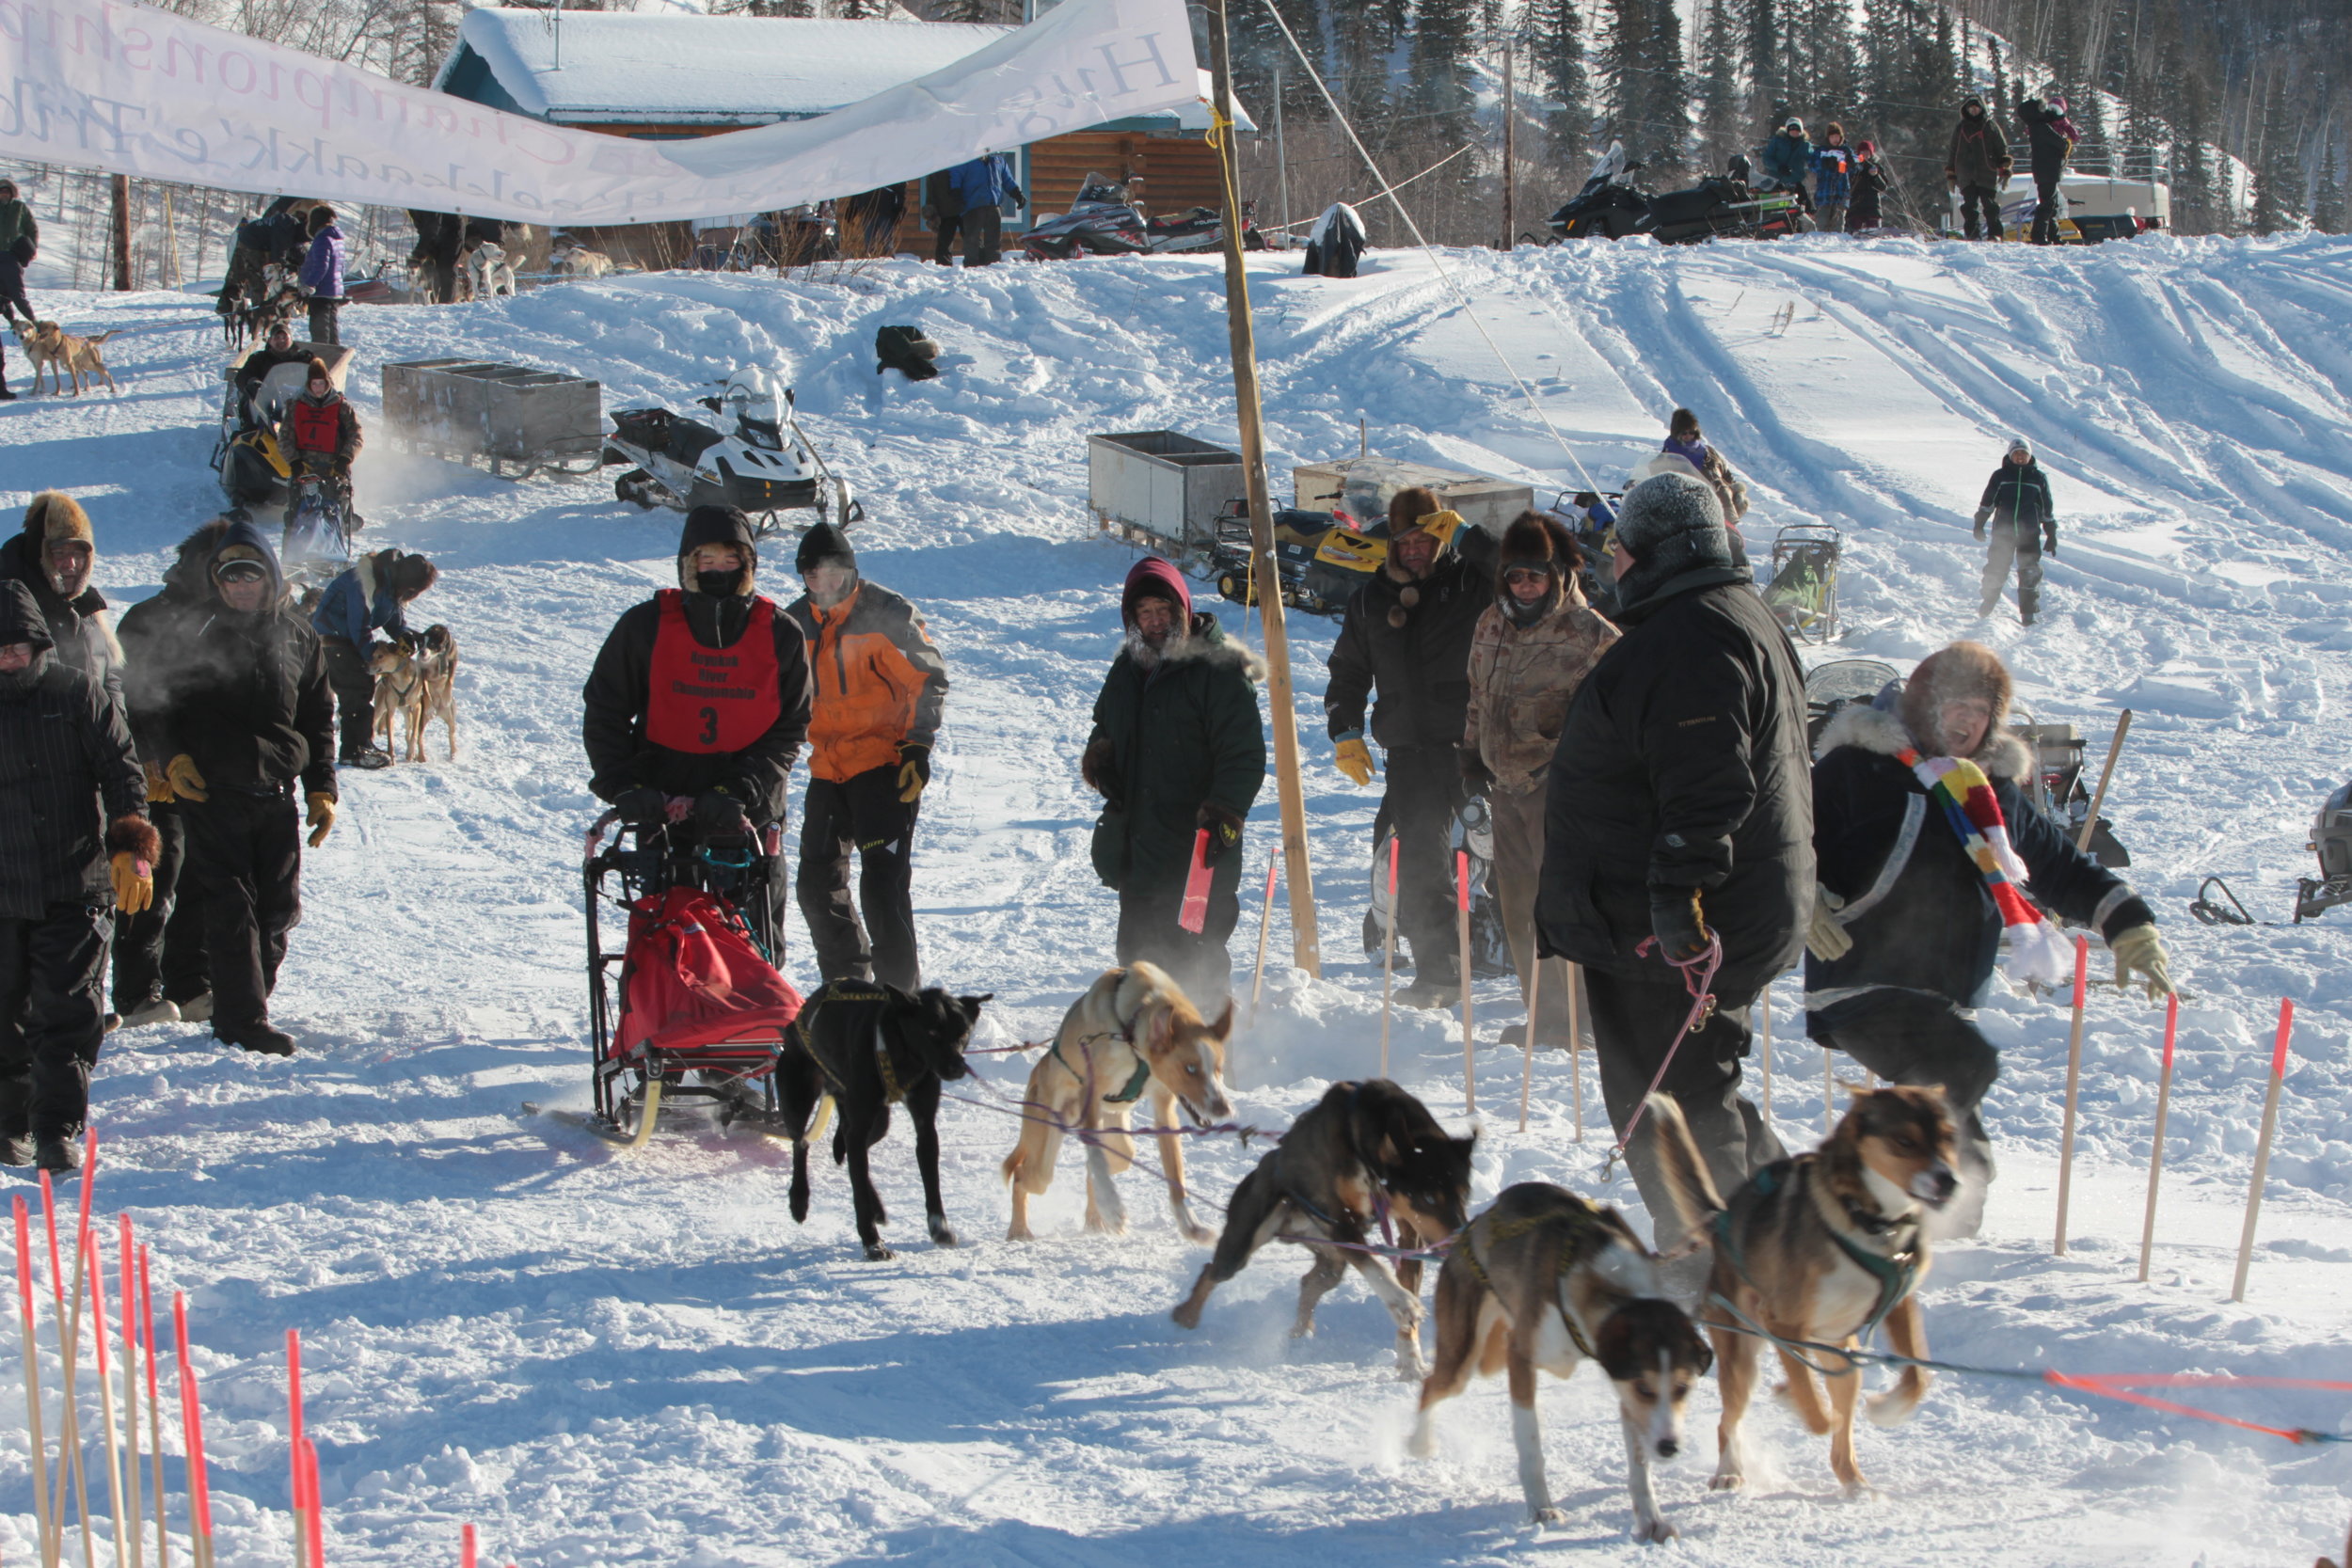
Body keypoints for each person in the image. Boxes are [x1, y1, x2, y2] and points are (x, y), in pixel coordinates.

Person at [1806, 641, 2172, 1234]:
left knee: (1959, 1131)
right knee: (1964, 1062)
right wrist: (1803, 894)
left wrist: (2130, 924)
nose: (1966, 721)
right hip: (1858, 977)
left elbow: (2060, 868)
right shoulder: (1857, 767)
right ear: (1924, 706)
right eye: (1955, 705)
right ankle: (1882, 1187)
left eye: (1980, 710)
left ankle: (1935, 1233)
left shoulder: (1988, 792)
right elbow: (1788, 840)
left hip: (1941, 996)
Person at [1536, 470, 1809, 1251]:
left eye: (1619, 550)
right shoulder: (1726, 618)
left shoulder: (1694, 636)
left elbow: (1707, 782)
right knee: (1700, 1083)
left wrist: (1679, 900)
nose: (1610, 564)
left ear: (1657, 552)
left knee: (1667, 1101)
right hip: (1684, 913)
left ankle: (1712, 1263)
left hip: (1668, 930)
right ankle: (1784, 1230)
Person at [581, 506, 814, 956]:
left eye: (730, 561)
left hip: (745, 809)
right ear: (688, 565)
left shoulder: (780, 632)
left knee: (752, 942)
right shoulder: (646, 625)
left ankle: (751, 1023)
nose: (719, 570)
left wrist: (738, 788)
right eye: (706, 561)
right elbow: (605, 710)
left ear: (748, 566)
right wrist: (623, 784)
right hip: (662, 807)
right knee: (665, 937)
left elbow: (790, 728)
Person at [152, 521, 336, 1057]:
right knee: (230, 905)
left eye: (250, 574)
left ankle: (252, 999)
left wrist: (321, 788)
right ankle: (241, 1018)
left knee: (278, 909)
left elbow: (318, 716)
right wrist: (173, 757)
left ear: (269, 575)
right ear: (217, 580)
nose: (240, 586)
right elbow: (154, 703)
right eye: (229, 576)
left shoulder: (298, 633)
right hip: (211, 791)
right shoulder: (195, 629)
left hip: (274, 792)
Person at [0, 581, 153, 1170]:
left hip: (75, 882)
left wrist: (130, 848)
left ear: (40, 644)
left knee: (67, 1012)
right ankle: (10, 1121)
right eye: (1, 649)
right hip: (6, 886)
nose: (11, 657)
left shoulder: (79, 694)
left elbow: (122, 774)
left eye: (20, 646)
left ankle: (56, 1129)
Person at [1327, 487, 1495, 1007]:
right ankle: (1439, 975)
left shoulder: (1472, 582)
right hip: (1410, 755)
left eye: (1428, 537)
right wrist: (1345, 730)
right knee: (1423, 865)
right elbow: (1349, 672)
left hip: (1475, 746)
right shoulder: (1371, 600)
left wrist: (1470, 539)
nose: (1416, 548)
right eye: (1406, 539)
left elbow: (1523, 570)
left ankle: (1543, 980)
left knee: (1509, 858)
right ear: (1392, 543)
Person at [1461, 513, 1618, 1049]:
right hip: (1504, 788)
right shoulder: (1490, 624)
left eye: (1535, 575)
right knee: (1519, 906)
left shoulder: (1591, 634)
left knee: (1565, 905)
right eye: (1515, 576)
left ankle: (1582, 1017)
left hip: (1561, 789)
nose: (1524, 586)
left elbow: (1622, 712)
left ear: (1556, 574)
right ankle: (1545, 1016)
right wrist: (1470, 753)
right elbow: (1479, 695)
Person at [1083, 558, 1264, 1007]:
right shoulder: (1126, 670)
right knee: (1137, 959)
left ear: (1182, 610)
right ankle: (1146, 1056)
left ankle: (1207, 1055)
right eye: (1144, 613)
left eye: (1163, 610)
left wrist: (1225, 813)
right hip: (1140, 843)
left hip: (1199, 845)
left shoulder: (1218, 672)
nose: (1155, 622)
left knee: (1195, 957)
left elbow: (1242, 753)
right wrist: (1101, 756)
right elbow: (1103, 723)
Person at [783, 523, 948, 992]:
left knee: (882, 889)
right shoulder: (794, 624)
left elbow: (928, 677)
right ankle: (848, 988)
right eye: (814, 574)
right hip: (827, 771)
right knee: (816, 888)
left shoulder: (886, 613)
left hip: (883, 767)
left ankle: (900, 998)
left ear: (850, 569)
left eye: (835, 572)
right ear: (805, 577)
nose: (826, 583)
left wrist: (917, 745)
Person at [111, 519, 231, 1031]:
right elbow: (129, 695)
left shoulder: (229, 617)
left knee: (204, 881)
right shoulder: (147, 617)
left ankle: (190, 981)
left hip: (211, 775)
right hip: (155, 774)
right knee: (154, 882)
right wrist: (154, 755)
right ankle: (137, 993)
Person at [312, 549, 438, 769]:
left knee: (363, 687)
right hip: (331, 639)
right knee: (356, 689)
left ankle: (363, 744)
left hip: (348, 639)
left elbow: (393, 618)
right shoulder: (362, 582)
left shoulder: (390, 586)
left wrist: (403, 635)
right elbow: (358, 626)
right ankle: (354, 751)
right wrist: (375, 657)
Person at [0, 492, 120, 707]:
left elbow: (110, 678)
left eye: (79, 553)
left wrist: (116, 727)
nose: (71, 564)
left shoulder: (89, 607)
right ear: (38, 555)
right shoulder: (8, 608)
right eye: (60, 552)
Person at [276, 356, 361, 540]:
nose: (318, 388)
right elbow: (285, 437)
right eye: (314, 384)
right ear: (308, 384)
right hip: (304, 469)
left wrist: (345, 458)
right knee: (298, 515)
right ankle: (296, 549)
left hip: (333, 469)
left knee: (333, 514)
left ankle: (339, 536)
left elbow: (356, 435)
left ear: (327, 383)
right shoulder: (295, 406)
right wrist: (294, 460)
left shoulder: (342, 407)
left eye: (321, 384)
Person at [1974, 436, 2057, 625]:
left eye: (2024, 454)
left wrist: (2051, 533)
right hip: (2004, 533)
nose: (2020, 457)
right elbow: (1988, 502)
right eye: (2017, 454)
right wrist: (1979, 523)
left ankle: (2028, 614)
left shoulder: (2038, 478)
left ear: (2029, 456)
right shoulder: (2000, 476)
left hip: (2029, 534)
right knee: (1996, 568)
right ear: (2010, 455)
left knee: (2029, 572)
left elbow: (2046, 509)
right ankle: (1989, 600)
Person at [1660, 408, 1750, 527]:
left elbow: (1726, 474)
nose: (1688, 436)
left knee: (1723, 490)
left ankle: (1729, 527)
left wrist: (1736, 491)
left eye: (1691, 432)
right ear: (1676, 433)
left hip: (1716, 501)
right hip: (1686, 503)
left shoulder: (1708, 452)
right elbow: (1655, 477)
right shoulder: (1668, 455)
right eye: (1684, 433)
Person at [1946, 95, 2012, 241]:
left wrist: (2004, 168)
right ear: (1966, 110)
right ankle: (1972, 234)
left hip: (1987, 171)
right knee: (1969, 206)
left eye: (1976, 108)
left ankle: (1995, 234)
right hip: (1966, 173)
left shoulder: (1990, 125)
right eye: (1971, 108)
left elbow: (2001, 148)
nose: (1974, 110)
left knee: (1990, 206)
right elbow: (1953, 150)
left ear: (1982, 109)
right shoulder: (1961, 128)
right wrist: (1951, 174)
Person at [2016, 92, 2076, 245]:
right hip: (2048, 169)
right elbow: (2061, 143)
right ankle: (2039, 235)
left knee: (2051, 203)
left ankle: (2053, 236)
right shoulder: (2041, 127)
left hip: (2044, 169)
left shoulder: (2035, 127)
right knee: (2047, 204)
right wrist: (2065, 142)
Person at [946, 153, 1023, 268]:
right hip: (972, 206)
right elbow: (955, 176)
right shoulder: (966, 160)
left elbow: (1007, 179)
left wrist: (1017, 194)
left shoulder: (998, 160)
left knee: (994, 239)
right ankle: (971, 266)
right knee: (972, 239)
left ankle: (993, 265)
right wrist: (956, 195)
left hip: (993, 205)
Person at [234, 321, 312, 423]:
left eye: (285, 337)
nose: (281, 341)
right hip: (267, 404)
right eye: (277, 338)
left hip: (298, 403)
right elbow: (243, 375)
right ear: (270, 340)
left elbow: (320, 374)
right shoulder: (259, 358)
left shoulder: (304, 358)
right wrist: (252, 381)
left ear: (291, 340)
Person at [298, 204, 345, 345]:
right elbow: (341, 266)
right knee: (331, 328)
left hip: (321, 292)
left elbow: (321, 265)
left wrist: (309, 284)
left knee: (320, 331)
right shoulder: (337, 239)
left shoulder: (322, 239)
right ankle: (334, 359)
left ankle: (322, 360)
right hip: (333, 291)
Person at [0, 175, 35, 328]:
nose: (3, 195)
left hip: (13, 253)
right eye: (1, 192)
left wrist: (30, 249)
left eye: (6, 192)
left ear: (12, 193)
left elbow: (31, 229)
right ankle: (11, 318)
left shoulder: (20, 208)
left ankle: (30, 321)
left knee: (13, 290)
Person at [1810, 123, 1854, 233]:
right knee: (1822, 223)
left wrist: (1849, 163)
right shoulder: (1821, 151)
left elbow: (1853, 169)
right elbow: (1812, 166)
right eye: (1832, 137)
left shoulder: (1846, 151)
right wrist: (1824, 163)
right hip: (1824, 193)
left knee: (1838, 225)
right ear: (1828, 138)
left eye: (1837, 137)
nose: (1835, 139)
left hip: (1841, 193)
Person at [1760, 119, 1813, 206]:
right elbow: (1767, 158)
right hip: (1775, 181)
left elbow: (1812, 159)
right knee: (1778, 205)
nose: (1794, 132)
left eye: (1797, 129)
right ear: (1787, 130)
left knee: (1804, 206)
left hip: (1794, 181)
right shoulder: (1778, 141)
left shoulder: (1805, 145)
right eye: (1792, 129)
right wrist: (1778, 167)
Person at [922, 169, 967, 268]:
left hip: (954, 208)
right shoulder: (937, 167)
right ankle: (944, 269)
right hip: (952, 209)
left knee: (969, 240)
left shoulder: (937, 167)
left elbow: (931, 191)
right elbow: (931, 191)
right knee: (946, 244)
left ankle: (944, 269)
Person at [1849, 140, 1888, 230]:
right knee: (1853, 235)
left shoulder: (1877, 167)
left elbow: (1883, 187)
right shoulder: (1853, 166)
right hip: (1855, 207)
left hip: (1873, 208)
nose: (1865, 154)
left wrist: (1875, 176)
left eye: (1867, 152)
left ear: (1871, 153)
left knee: (1874, 235)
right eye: (1862, 152)